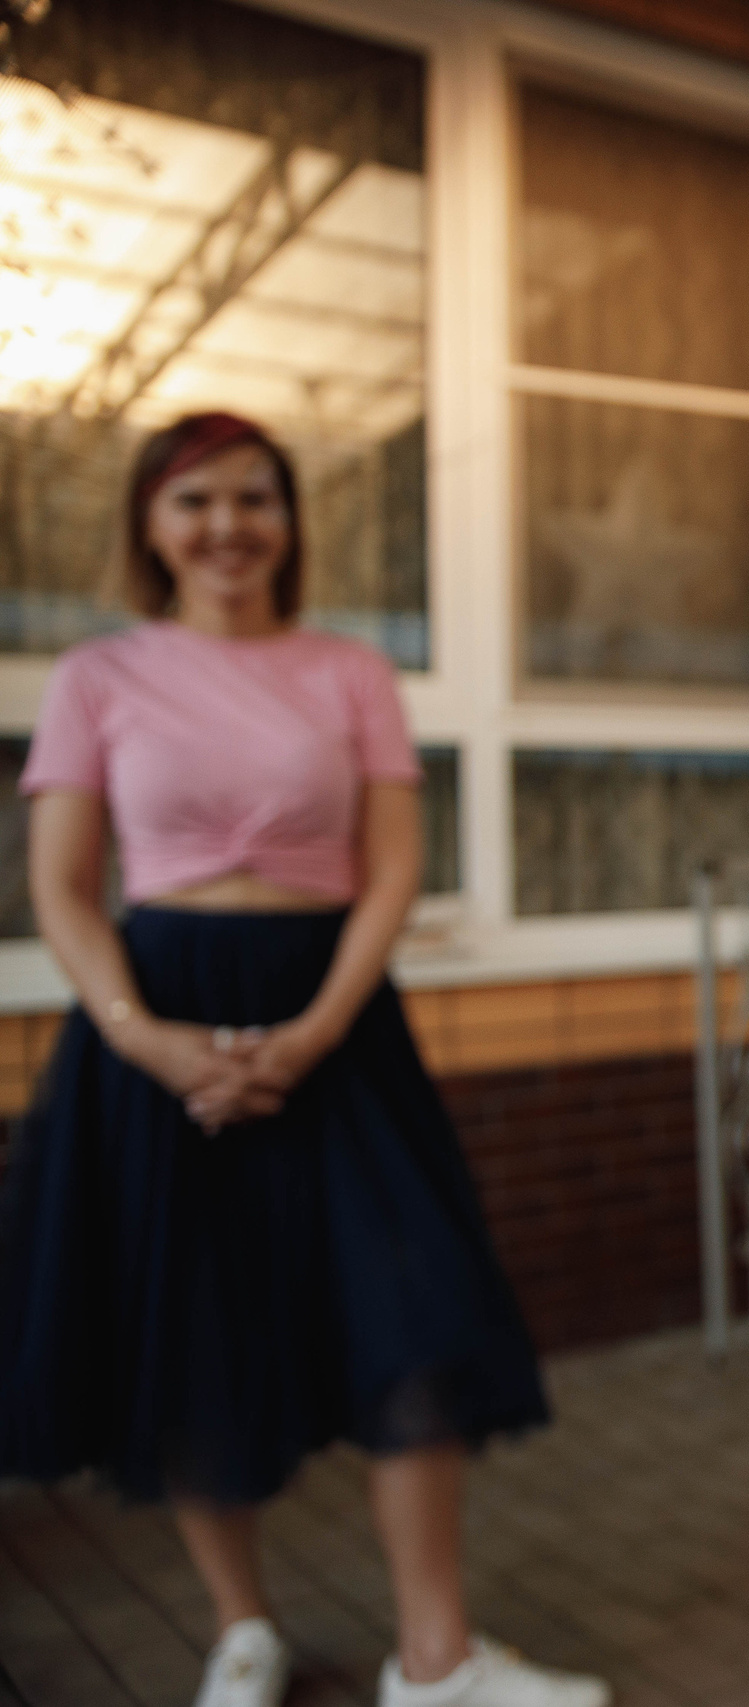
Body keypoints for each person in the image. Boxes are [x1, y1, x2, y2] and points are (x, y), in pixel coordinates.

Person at [0, 414, 607, 1707]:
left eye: (256, 498)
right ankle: (243, 1630)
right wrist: (149, 1038)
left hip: (336, 1023)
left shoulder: (349, 671)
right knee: (188, 1336)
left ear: (290, 519)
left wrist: (323, 1023)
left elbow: (393, 864)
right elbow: (59, 888)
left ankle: (434, 1660)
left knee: (418, 1315)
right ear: (150, 525)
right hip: (152, 1029)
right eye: (195, 499)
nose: (229, 524)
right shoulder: (96, 679)